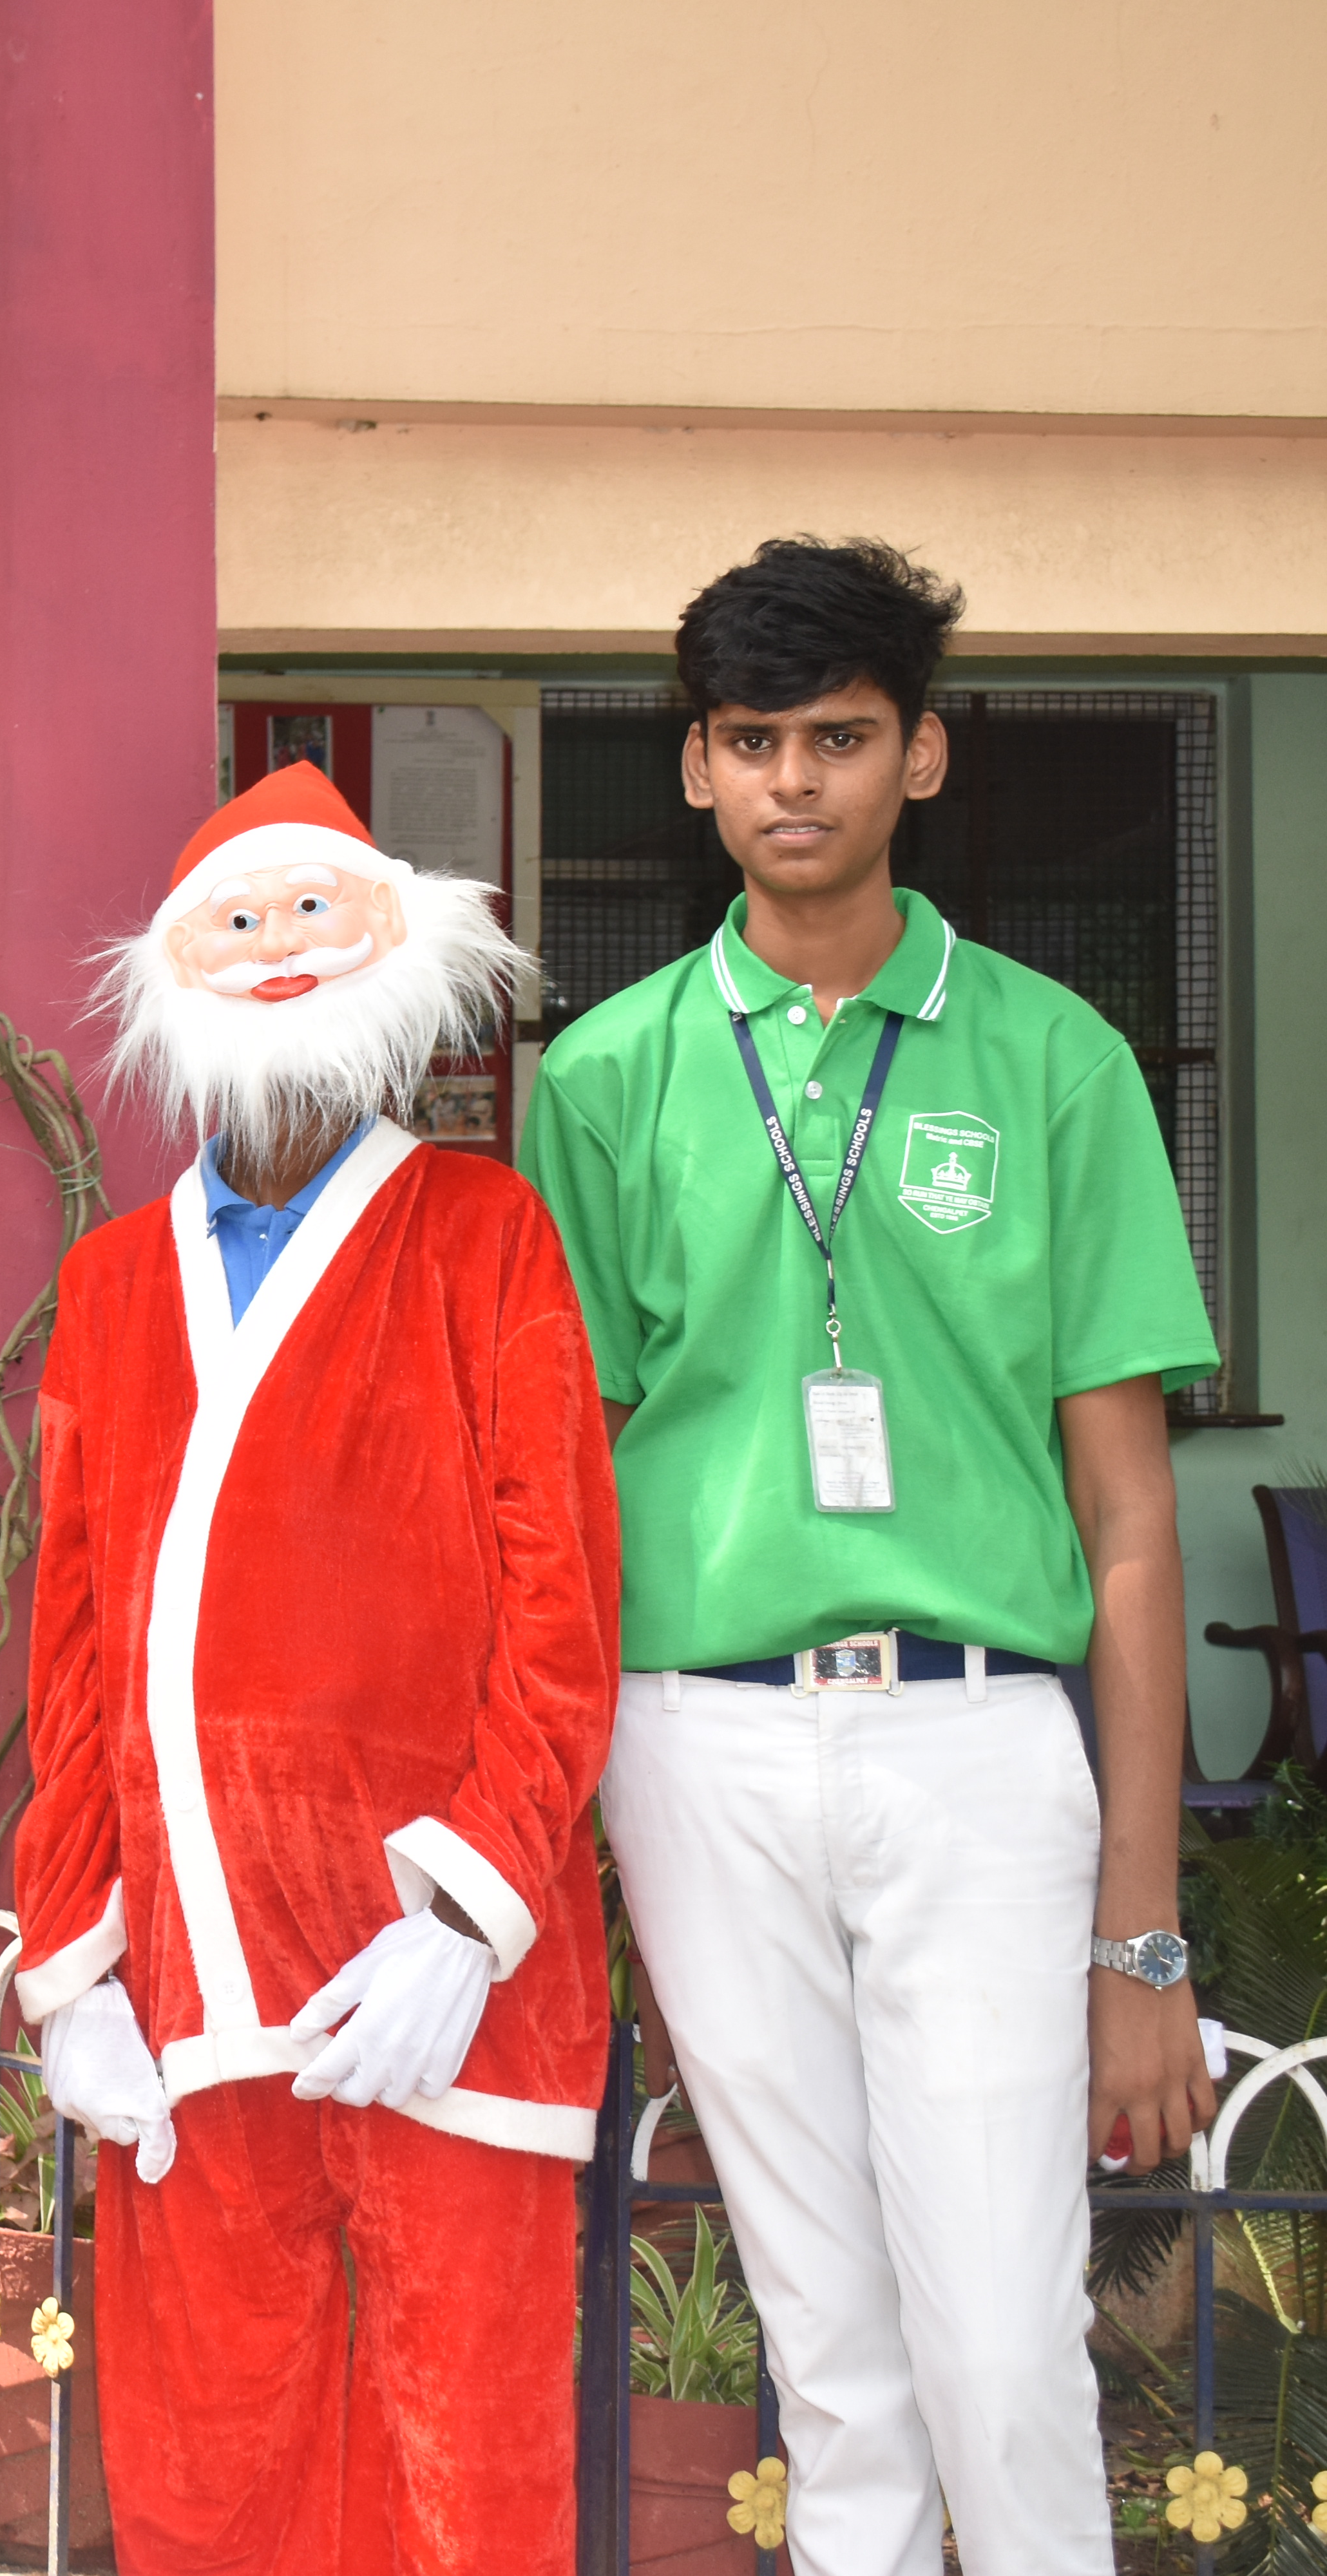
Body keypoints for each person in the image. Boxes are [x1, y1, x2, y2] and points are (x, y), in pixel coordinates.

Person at [515, 538, 1217, 2576]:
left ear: (921, 756)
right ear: (696, 771)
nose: (793, 779)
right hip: (695, 1742)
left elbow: (1131, 1519)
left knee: (1000, 2344)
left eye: (838, 737)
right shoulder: (608, 1075)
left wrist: (1145, 1936)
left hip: (979, 1739)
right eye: (752, 742)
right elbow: (572, 1483)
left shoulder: (1056, 1060)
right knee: (831, 2359)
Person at [6, 758, 617, 2573]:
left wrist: (475, 1912)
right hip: (185, 1975)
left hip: (434, 1967)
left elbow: (565, 1609)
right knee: (207, 2478)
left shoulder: (484, 1233)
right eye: (243, 922)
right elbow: (73, 1644)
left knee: (467, 2475)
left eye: (309, 916)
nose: (278, 952)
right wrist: (71, 1958)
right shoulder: (117, 1282)